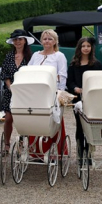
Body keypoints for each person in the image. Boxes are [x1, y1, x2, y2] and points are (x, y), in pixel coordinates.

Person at [27, 29, 68, 158]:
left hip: (52, 93)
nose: (47, 41)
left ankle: (54, 152)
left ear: (55, 41)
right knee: (36, 119)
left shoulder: (59, 56)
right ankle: (36, 152)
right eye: (45, 38)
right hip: (35, 93)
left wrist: (59, 92)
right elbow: (27, 71)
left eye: (50, 39)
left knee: (52, 121)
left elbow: (62, 75)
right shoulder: (35, 55)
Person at [67, 37, 102, 161]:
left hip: (92, 99)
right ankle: (80, 153)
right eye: (83, 46)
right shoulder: (73, 64)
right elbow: (69, 82)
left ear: (91, 48)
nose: (86, 48)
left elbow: (100, 80)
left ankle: (88, 153)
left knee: (89, 126)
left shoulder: (96, 64)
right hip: (78, 99)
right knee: (80, 126)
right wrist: (75, 88)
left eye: (88, 46)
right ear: (79, 48)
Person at [0, 29, 34, 151]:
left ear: (25, 41)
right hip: (11, 92)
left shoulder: (31, 57)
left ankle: (20, 142)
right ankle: (7, 143)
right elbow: (4, 74)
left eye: (20, 39)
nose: (18, 42)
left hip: (25, 93)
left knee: (22, 119)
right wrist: (11, 88)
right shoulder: (9, 56)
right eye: (15, 39)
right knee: (8, 118)